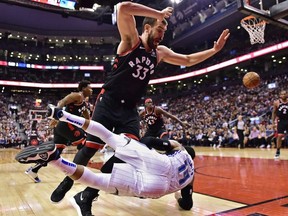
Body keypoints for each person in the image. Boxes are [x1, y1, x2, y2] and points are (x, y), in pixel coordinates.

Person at [51, 2, 229, 215]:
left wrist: (215, 50)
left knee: (131, 154)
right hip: (109, 102)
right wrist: (159, 14)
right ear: (147, 28)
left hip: (129, 110)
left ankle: (87, 196)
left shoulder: (159, 52)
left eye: (164, 31)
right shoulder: (131, 42)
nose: (162, 34)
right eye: (160, 29)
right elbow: (124, 7)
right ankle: (67, 183)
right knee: (90, 148)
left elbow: (188, 60)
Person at [15, 107, 195, 213]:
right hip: (159, 188)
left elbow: (149, 141)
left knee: (108, 136)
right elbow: (187, 204)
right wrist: (179, 192)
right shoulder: (192, 176)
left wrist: (143, 150)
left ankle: (61, 114)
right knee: (99, 181)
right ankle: (56, 160)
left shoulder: (180, 150)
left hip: (160, 163)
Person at [24, 80, 92, 184]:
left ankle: (33, 170)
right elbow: (62, 102)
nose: (91, 90)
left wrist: (90, 123)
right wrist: (56, 116)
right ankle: (78, 173)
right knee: (84, 142)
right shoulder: (76, 95)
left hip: (62, 128)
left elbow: (85, 113)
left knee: (55, 154)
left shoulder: (83, 102)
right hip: (66, 125)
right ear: (83, 88)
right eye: (89, 87)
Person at [272, 90, 288, 159]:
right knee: (280, 135)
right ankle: (278, 150)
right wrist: (273, 122)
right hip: (281, 121)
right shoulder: (277, 102)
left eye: (285, 94)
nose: (283, 95)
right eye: (282, 94)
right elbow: (274, 112)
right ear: (280, 95)